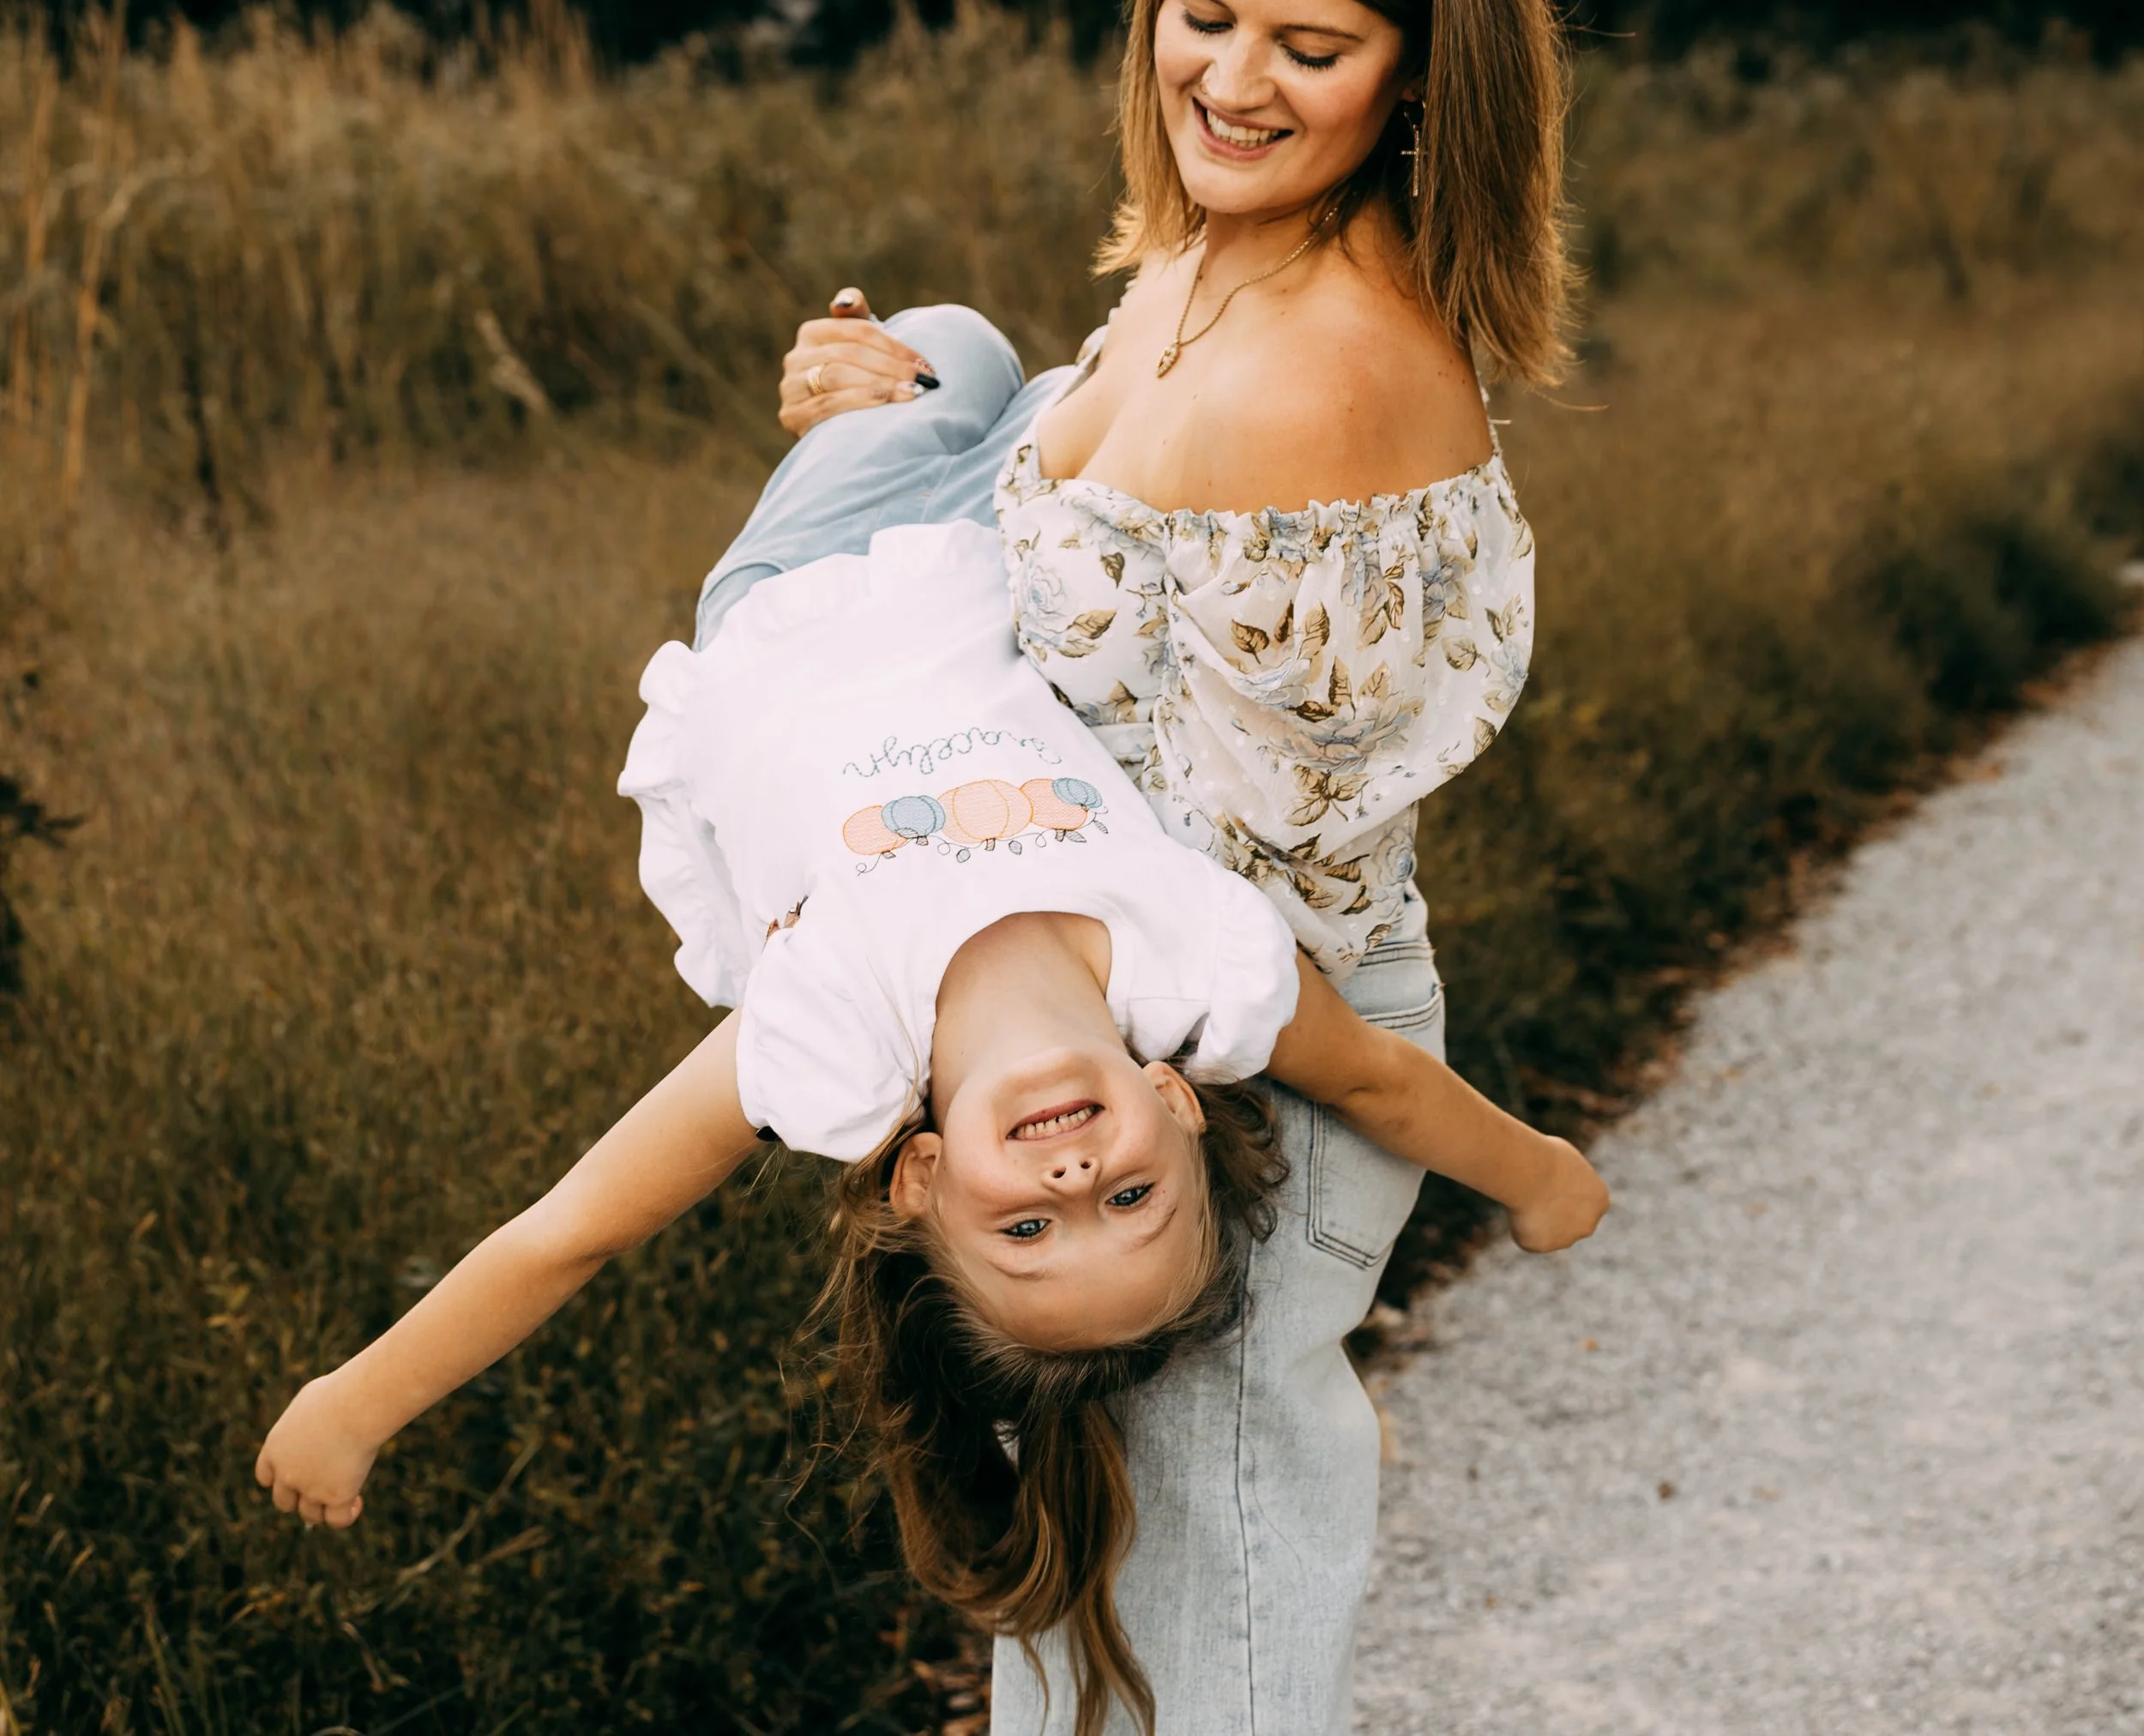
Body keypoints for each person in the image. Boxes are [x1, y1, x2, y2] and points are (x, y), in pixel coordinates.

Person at [696, 0, 1581, 1730]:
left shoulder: (1326, 376)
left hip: (1239, 1061)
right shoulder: (1207, 261)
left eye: (1310, 42)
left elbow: (1209, 848)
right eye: (1201, 15)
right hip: (1123, 1018)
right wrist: (917, 395)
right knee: (1096, 1634)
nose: (1231, 81)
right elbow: (1051, 534)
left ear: (1423, 66)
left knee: (1217, 1629)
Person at [253, 521, 1606, 1736]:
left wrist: (358, 1401)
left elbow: (575, 1228)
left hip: (800, 569)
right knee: (981, 354)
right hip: (987, 526)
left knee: (917, 350)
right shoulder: (1201, 969)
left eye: (1028, 1226)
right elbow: (1377, 1078)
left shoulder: (833, 1036)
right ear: (1178, 1105)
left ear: (920, 1175)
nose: (1077, 1175)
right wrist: (1534, 1175)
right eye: (1130, 1199)